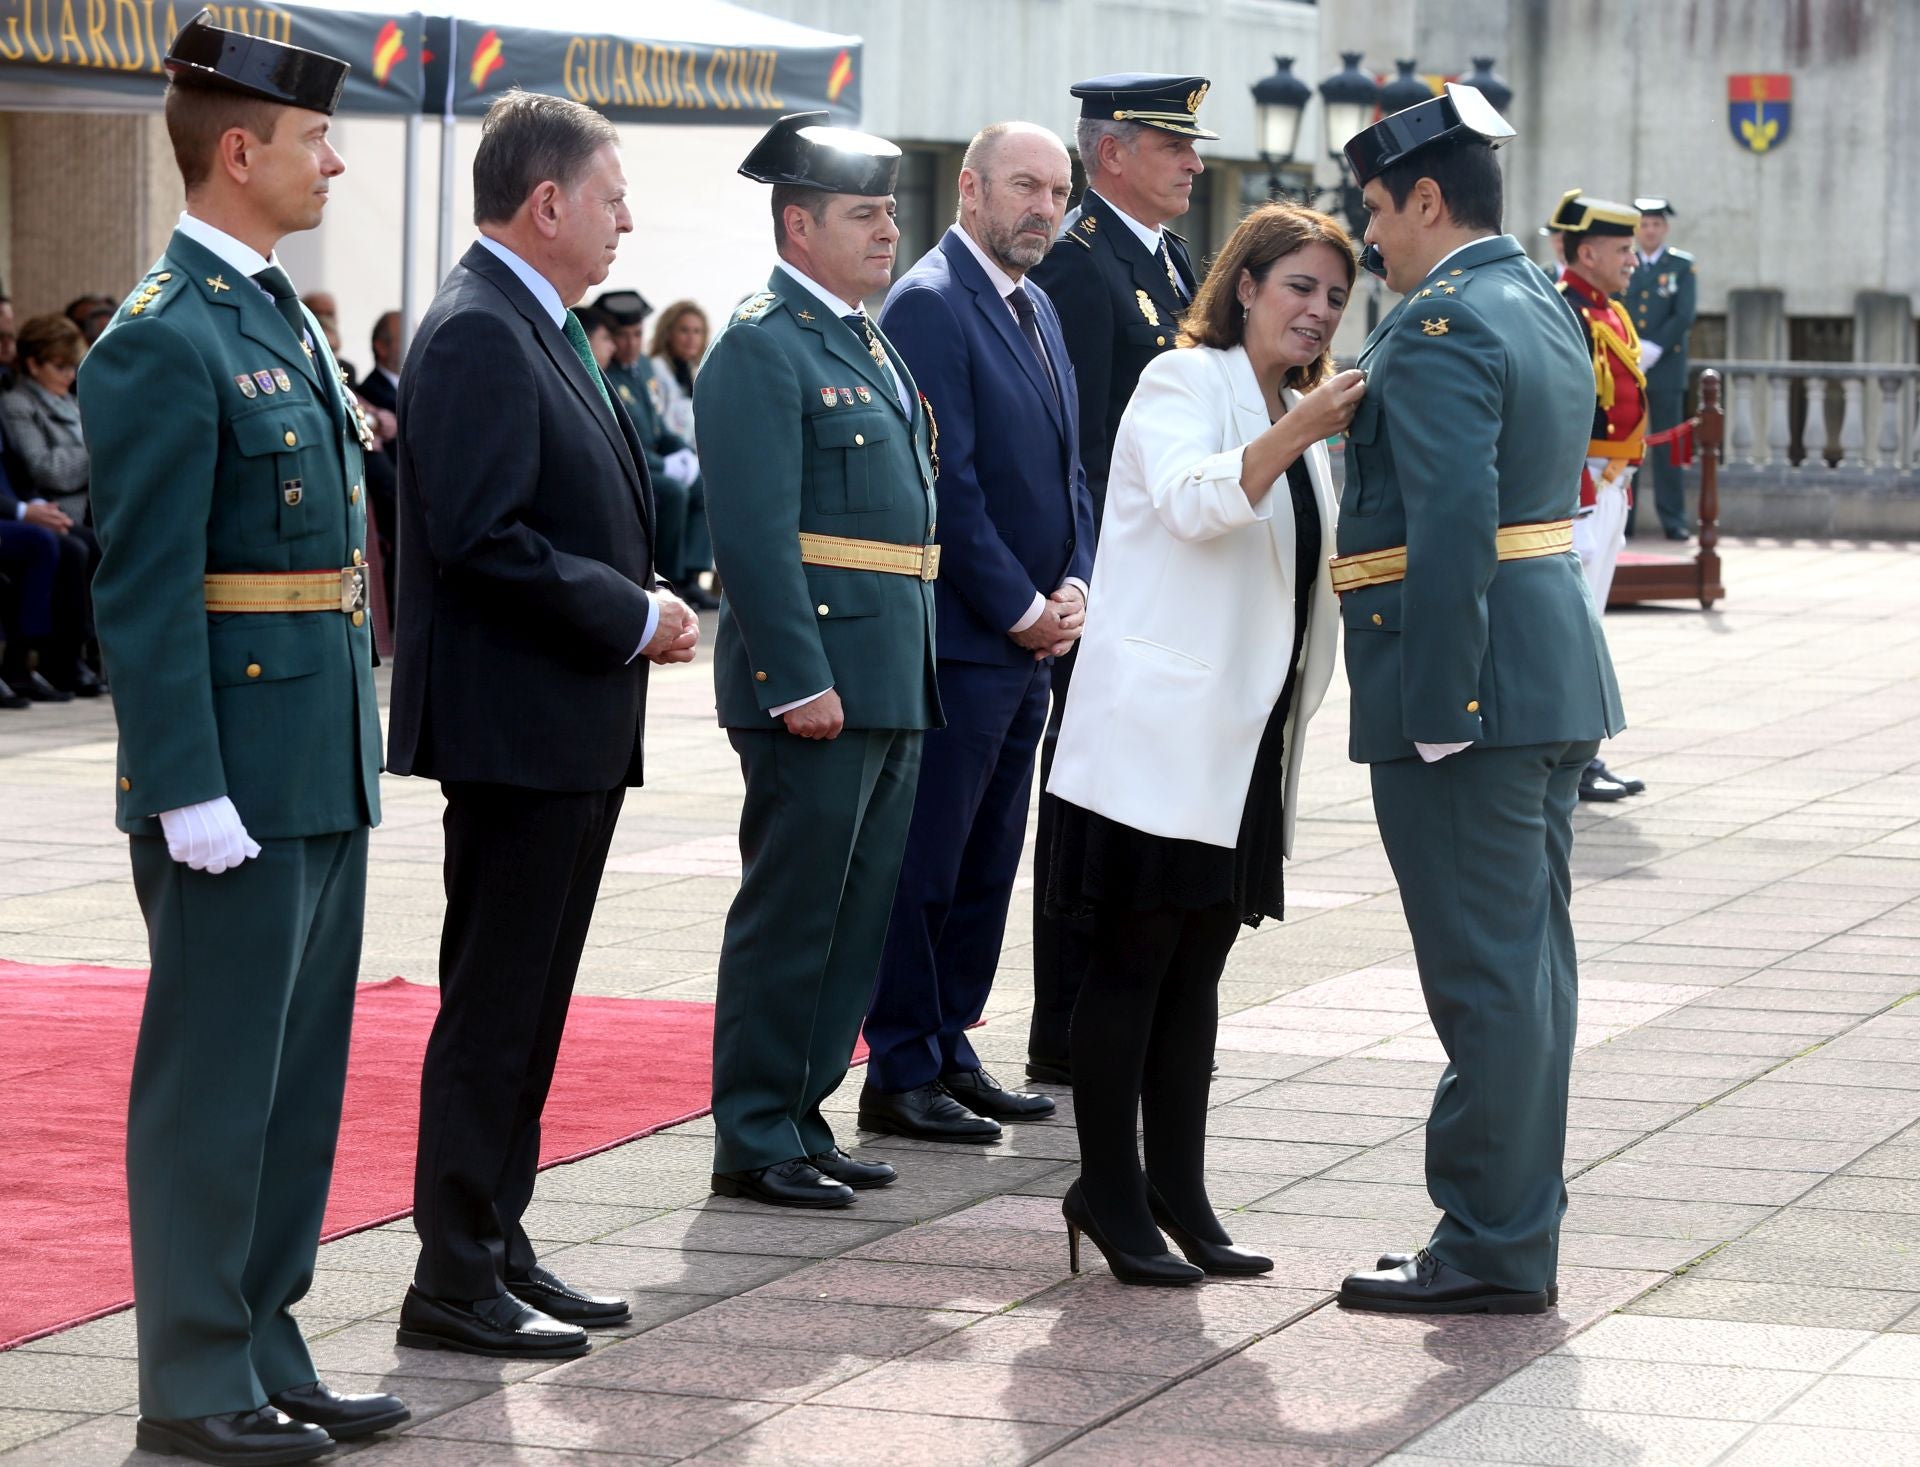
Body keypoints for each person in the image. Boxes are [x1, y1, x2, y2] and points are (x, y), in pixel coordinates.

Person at [74, 12, 405, 1462]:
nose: (333, 160)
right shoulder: (164, 339)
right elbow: (141, 589)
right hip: (233, 780)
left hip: (316, 757)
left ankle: (267, 1338)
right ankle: (192, 1381)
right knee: (214, 1085)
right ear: (238, 148)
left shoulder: (277, 313)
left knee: (296, 1082)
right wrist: (184, 784)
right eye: (315, 139)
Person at [388, 88, 698, 1359]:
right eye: (612, 196)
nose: (628, 219)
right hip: (516, 730)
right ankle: (452, 1276)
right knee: (495, 1007)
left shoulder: (538, 321)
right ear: (548, 201)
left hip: (561, 727)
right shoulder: (476, 329)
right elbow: (482, 539)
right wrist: (629, 614)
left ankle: (496, 1244)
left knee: (533, 1004)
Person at [1328, 84, 1624, 1318]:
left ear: (1430, 200)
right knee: (1531, 973)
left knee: (1489, 979)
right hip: (1545, 675)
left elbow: (1451, 526)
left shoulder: (1444, 322)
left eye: (1378, 212)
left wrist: (1438, 702)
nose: (1369, 238)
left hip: (1472, 693)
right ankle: (1510, 1228)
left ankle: (1491, 1243)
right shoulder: (1539, 303)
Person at [1046, 203, 1356, 1285]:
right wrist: (1291, 438)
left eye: (1332, 296)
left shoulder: (1296, 410)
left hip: (1247, 743)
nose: (1315, 310)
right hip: (1161, 736)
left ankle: (1179, 1190)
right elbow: (1188, 505)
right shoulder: (1185, 383)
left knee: (1198, 974)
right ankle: (1109, 1193)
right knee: (1133, 966)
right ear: (1246, 288)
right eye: (1297, 288)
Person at [697, 111, 940, 1209]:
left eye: (891, 212)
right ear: (799, 225)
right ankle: (753, 1133)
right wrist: (797, 677)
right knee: (793, 913)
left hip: (890, 671)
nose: (888, 230)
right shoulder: (761, 343)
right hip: (819, 682)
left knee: (854, 915)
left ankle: (803, 1113)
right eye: (862, 213)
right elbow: (751, 534)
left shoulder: (863, 335)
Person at [860, 121, 1093, 1143]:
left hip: (1030, 641)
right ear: (969, 188)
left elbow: (1070, 468)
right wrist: (1021, 606)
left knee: (991, 863)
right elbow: (945, 487)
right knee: (929, 864)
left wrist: (1079, 580)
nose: (1044, 207)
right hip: (963, 641)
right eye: (1025, 187)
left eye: (1058, 191)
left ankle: (951, 1043)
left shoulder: (1036, 304)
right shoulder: (929, 306)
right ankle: (901, 1064)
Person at [1024, 71, 1213, 1087]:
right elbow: (1078, 449)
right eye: (1172, 145)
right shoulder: (1081, 267)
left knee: (1143, 805)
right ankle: (1065, 1024)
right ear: (1111, 154)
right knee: (1088, 806)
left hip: (1165, 587)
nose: (1193, 161)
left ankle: (1113, 1015)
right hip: (1109, 589)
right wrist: (1085, 584)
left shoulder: (1172, 260)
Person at [1551, 192, 1650, 804]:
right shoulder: (1565, 311)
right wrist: (1581, 497)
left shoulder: (1606, 309)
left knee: (1592, 626)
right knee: (1576, 631)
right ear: (1586, 252)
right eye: (1622, 249)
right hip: (1582, 489)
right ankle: (1574, 759)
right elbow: (1562, 414)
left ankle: (1580, 753)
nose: (1634, 260)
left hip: (1612, 484)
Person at [595, 289, 715, 609]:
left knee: (704, 482)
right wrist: (664, 466)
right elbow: (618, 438)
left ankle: (692, 574)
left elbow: (657, 427)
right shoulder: (604, 372)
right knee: (674, 492)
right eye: (623, 336)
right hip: (632, 465)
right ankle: (670, 578)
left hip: (653, 457)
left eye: (638, 334)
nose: (632, 344)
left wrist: (685, 453)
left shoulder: (643, 368)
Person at [1626, 198, 1696, 539]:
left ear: (1665, 229)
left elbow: (1683, 314)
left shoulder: (1681, 266)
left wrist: (1654, 347)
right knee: (1626, 443)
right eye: (1644, 224)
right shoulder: (1625, 261)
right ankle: (1625, 518)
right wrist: (1634, 350)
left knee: (1670, 445)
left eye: (1656, 224)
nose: (1650, 230)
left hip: (1665, 365)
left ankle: (1674, 519)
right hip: (1629, 364)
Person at [1, 314, 94, 523]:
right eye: (61, 367)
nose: (70, 375)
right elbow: (44, 469)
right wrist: (100, 451)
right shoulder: (17, 403)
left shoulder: (70, 399)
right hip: (68, 508)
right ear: (33, 364)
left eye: (73, 366)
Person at [648, 298, 708, 442]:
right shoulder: (655, 368)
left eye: (697, 331)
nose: (691, 338)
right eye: (684, 330)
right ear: (668, 333)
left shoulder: (698, 371)